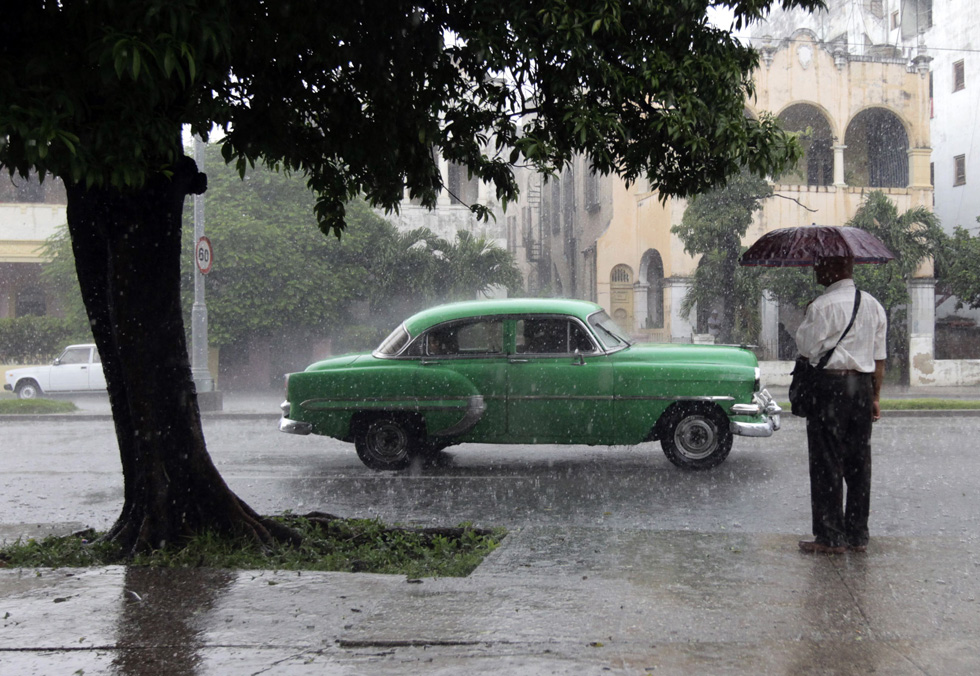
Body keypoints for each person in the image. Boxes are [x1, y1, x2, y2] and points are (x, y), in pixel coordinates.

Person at [794, 255, 887, 554]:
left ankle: (831, 537)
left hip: (830, 388)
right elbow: (879, 357)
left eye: (820, 265)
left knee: (826, 462)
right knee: (859, 463)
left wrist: (808, 313)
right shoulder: (872, 305)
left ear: (835, 270)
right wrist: (874, 397)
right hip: (860, 387)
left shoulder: (822, 306)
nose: (815, 269)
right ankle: (857, 534)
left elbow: (806, 349)